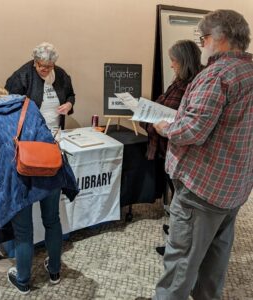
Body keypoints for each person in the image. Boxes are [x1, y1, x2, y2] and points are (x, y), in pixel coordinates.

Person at [152, 9, 253, 300]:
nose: (202, 45)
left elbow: (193, 130)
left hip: (202, 188)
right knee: (215, 260)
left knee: (180, 263)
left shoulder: (216, 75)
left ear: (216, 38)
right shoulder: (248, 70)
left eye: (202, 38)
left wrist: (165, 128)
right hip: (234, 186)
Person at [0, 83, 79, 295]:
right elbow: (42, 130)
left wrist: (9, 161)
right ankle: (55, 271)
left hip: (16, 175)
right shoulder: (27, 103)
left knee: (23, 233)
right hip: (49, 166)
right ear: (2, 93)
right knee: (52, 220)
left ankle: (22, 281)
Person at [141, 40, 202, 255]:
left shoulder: (194, 86)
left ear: (183, 61)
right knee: (177, 199)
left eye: (173, 61)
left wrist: (155, 120)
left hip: (180, 153)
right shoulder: (179, 82)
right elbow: (162, 104)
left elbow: (182, 121)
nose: (171, 66)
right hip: (168, 150)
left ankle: (178, 243)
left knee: (183, 202)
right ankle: (177, 231)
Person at [5, 42, 75, 131]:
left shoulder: (60, 74)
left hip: (56, 129)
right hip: (31, 131)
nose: (46, 69)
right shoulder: (22, 75)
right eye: (42, 65)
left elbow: (70, 95)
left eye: (49, 66)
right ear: (35, 61)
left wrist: (69, 104)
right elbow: (10, 103)